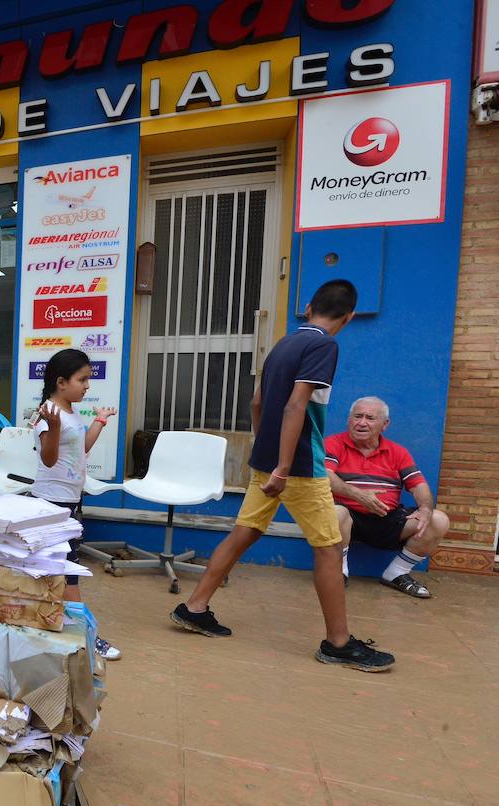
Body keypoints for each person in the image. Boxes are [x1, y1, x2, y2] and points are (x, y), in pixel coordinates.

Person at [169, 280, 395, 673]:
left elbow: (257, 402)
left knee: (247, 530)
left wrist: (267, 452)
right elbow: (295, 406)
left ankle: (194, 607)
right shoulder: (324, 345)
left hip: (267, 460)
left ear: (308, 307)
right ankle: (338, 643)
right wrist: (285, 467)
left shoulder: (284, 344)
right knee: (328, 547)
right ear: (349, 317)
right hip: (300, 465)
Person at [31, 348, 121, 662]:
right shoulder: (49, 414)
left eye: (88, 380)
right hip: (52, 503)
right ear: (61, 382)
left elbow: (81, 449)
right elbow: (49, 458)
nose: (87, 386)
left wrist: (99, 421)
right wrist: (53, 429)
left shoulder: (68, 412)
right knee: (67, 571)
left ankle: (59, 625)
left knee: (59, 568)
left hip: (69, 499)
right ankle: (87, 635)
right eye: (82, 379)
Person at [327, 396, 450, 598]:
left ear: (385, 424)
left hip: (387, 519)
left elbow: (419, 486)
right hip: (347, 520)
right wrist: (359, 496)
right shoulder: (333, 444)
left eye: (370, 418)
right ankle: (338, 572)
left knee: (438, 519)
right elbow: (325, 477)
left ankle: (397, 573)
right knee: (334, 511)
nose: (362, 422)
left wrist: (425, 509)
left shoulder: (398, 452)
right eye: (357, 416)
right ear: (349, 420)